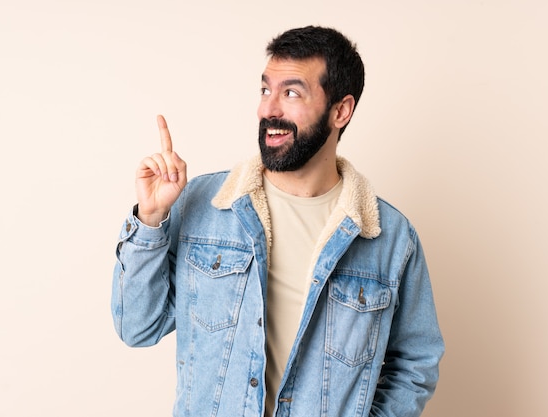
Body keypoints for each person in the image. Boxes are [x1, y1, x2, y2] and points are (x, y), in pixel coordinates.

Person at [112, 25, 444, 417]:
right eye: (266, 89)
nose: (268, 109)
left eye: (291, 93)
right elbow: (137, 327)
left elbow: (415, 362)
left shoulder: (390, 239)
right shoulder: (202, 208)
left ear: (341, 111)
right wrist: (151, 219)